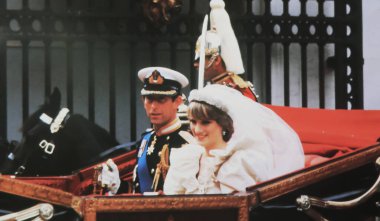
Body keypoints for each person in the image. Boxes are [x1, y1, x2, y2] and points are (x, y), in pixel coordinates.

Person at [164, 84, 304, 194]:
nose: (197, 129)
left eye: (205, 122)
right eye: (193, 122)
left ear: (223, 124)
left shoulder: (242, 161)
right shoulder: (186, 159)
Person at [100, 67, 192, 194]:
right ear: (143, 101)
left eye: (161, 100)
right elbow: (138, 192)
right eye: (149, 99)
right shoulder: (146, 139)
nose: (153, 107)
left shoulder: (186, 142)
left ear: (177, 101)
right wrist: (117, 186)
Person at [194, 0, 258, 101]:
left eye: (200, 59)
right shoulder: (215, 85)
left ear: (216, 60)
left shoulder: (236, 89)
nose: (195, 64)